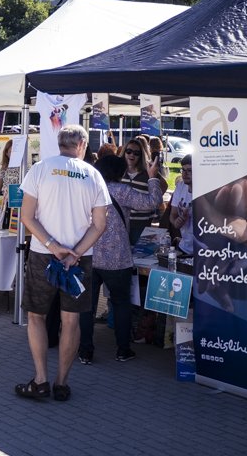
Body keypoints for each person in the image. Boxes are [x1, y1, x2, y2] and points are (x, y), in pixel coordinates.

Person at [16, 124, 109, 402]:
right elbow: (99, 225)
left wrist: (53, 246)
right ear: (81, 145)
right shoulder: (94, 175)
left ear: (60, 144)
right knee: (71, 321)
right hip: (79, 260)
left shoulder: (40, 169)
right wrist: (75, 252)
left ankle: (41, 379)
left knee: (36, 317)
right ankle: (61, 383)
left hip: (43, 254)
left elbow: (27, 216)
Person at [79, 154, 163, 364]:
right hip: (116, 258)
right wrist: (152, 177)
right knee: (121, 304)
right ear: (119, 172)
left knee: (86, 307)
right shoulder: (121, 190)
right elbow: (152, 202)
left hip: (87, 253)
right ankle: (123, 350)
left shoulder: (85, 190)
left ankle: (85, 351)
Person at [120, 137, 154, 245]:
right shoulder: (118, 173)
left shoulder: (147, 173)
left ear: (141, 155)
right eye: (129, 151)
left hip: (141, 224)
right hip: (121, 224)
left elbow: (162, 186)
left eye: (136, 153)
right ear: (124, 152)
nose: (132, 155)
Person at [169, 155, 195, 254]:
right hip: (184, 247)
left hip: (202, 250)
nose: (185, 174)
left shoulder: (205, 191)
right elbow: (173, 215)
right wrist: (177, 222)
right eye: (183, 170)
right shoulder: (180, 186)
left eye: (189, 170)